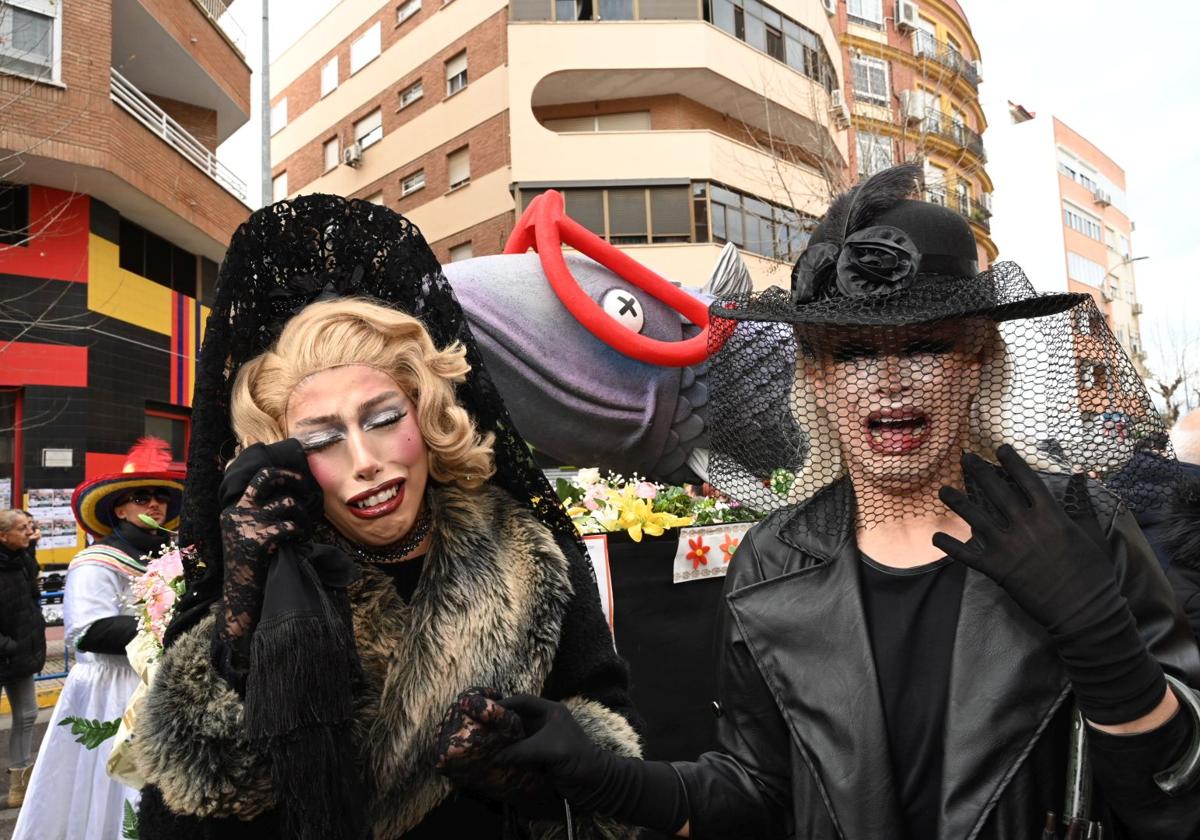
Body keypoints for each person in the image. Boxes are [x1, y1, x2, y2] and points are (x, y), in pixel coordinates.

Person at [439, 164, 1200, 838]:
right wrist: (598, 773)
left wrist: (1098, 636)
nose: (890, 379)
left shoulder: (1082, 530)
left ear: (977, 361)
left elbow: (1181, 800)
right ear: (819, 381)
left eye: (926, 345)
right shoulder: (772, 564)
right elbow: (756, 793)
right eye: (855, 353)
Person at [130, 195, 639, 840]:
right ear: (282, 455)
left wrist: (536, 774)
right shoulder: (263, 585)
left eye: (383, 419)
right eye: (321, 440)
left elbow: (614, 746)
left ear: (426, 415)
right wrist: (241, 631)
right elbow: (192, 810)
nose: (365, 460)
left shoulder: (528, 554)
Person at [13, 439, 183, 840]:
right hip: (112, 691)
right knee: (111, 791)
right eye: (142, 497)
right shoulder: (94, 562)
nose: (154, 505)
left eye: (160, 497)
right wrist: (173, 624)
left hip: (157, 686)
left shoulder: (171, 557)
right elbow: (90, 631)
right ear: (119, 509)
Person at [0, 509, 45, 809]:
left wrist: (32, 550)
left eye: (30, 527)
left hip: (18, 655)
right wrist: (8, 646)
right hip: (7, 649)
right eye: (22, 529)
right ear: (3, 535)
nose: (29, 532)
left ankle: (19, 784)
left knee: (28, 714)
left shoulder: (23, 560)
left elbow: (31, 596)